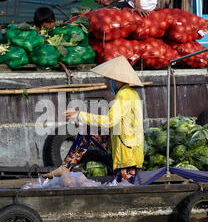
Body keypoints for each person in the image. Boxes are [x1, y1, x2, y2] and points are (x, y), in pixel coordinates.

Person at [43, 56, 145, 184]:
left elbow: (110, 121)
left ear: (116, 79)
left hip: (127, 153)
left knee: (124, 188)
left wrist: (80, 115)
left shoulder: (124, 95)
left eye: (108, 79)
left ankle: (66, 167)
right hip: (121, 144)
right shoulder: (130, 93)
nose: (107, 82)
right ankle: (66, 167)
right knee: (87, 132)